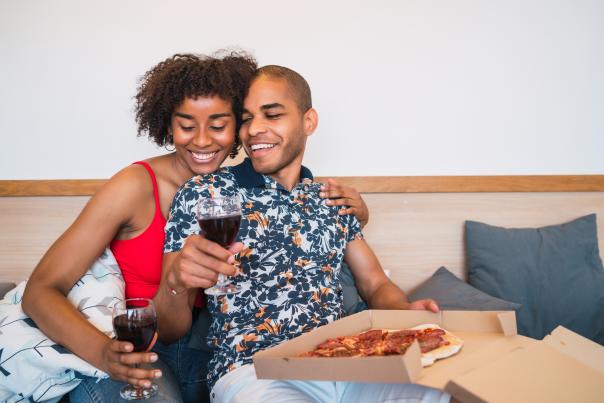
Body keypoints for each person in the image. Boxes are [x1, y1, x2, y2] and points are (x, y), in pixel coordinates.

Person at [21, 52, 369, 403]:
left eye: (218, 126)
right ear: (166, 124)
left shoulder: (244, 191)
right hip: (137, 344)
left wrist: (358, 215)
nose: (202, 141)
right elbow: (41, 289)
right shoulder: (135, 186)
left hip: (206, 344)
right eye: (186, 126)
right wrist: (104, 353)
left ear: (237, 126)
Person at [159, 65, 447, 403]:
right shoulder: (205, 192)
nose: (254, 130)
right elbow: (168, 328)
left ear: (308, 121)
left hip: (343, 361)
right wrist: (176, 282)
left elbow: (374, 284)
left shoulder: (331, 196)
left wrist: (405, 310)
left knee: (437, 393)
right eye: (247, 118)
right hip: (253, 372)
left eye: (272, 115)